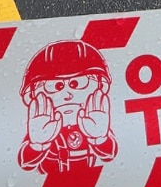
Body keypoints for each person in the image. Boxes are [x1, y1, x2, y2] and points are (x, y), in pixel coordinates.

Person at [18, 40, 117, 174]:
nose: (68, 95)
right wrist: (37, 144)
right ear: (33, 94)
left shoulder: (92, 122)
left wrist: (100, 138)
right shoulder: (42, 126)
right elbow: (25, 162)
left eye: (77, 83)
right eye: (55, 86)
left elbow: (110, 153)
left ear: (100, 85)